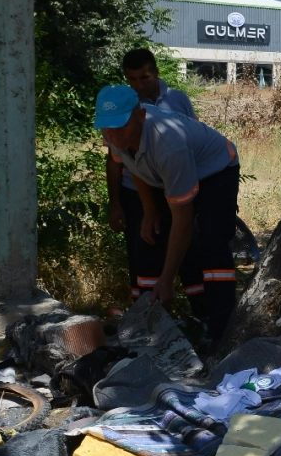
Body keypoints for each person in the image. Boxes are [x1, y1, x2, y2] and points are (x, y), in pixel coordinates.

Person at [95, 85, 242, 341]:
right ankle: (156, 326)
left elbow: (183, 218)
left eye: (120, 126)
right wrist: (150, 211)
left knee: (211, 239)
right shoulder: (115, 136)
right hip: (167, 173)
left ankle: (220, 330)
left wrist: (167, 279)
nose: (113, 135)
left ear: (140, 116)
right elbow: (136, 165)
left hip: (216, 168)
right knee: (152, 233)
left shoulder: (168, 145)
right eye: (107, 127)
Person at [107, 49, 197, 301]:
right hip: (135, 192)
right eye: (132, 80)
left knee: (187, 248)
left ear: (156, 72)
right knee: (143, 252)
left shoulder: (178, 100)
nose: (138, 85)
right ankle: (145, 314)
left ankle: (196, 314)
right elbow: (114, 160)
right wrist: (115, 204)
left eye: (144, 78)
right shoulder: (125, 104)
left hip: (172, 186)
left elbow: (190, 142)